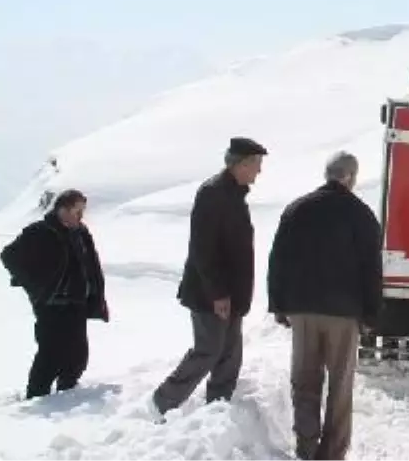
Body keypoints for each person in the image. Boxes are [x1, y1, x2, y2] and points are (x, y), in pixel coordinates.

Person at [267, 150, 382, 461]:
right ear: (351, 177)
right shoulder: (361, 214)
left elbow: (278, 260)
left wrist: (278, 304)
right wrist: (371, 314)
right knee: (340, 386)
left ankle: (306, 447)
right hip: (344, 315)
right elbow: (372, 267)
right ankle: (331, 454)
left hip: (303, 310)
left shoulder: (297, 209)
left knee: (304, 380)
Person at [151, 136, 266, 417]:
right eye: (256, 164)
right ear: (240, 164)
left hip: (231, 293)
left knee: (230, 354)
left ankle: (217, 410)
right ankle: (163, 401)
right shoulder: (213, 193)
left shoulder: (235, 194)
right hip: (210, 293)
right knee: (209, 350)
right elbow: (203, 249)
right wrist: (218, 293)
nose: (259, 171)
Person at [0, 189, 109, 398]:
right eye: (77, 211)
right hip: (50, 304)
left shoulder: (81, 233)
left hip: (76, 302)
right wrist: (34, 286)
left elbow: (91, 265)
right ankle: (36, 398)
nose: (80, 216)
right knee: (50, 354)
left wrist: (95, 295)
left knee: (78, 355)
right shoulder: (39, 231)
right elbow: (8, 256)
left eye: (82, 211)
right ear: (62, 210)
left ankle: (66, 394)